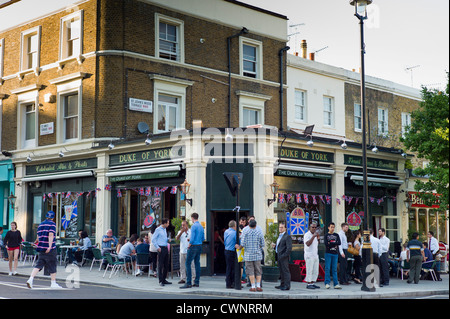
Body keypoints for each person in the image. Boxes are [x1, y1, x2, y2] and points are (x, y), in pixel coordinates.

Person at [26, 211, 62, 289]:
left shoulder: (41, 224)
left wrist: (36, 241)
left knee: (39, 264)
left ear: (46, 216)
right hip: (50, 248)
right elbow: (51, 234)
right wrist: (49, 246)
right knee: (52, 264)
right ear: (53, 217)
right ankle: (53, 283)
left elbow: (38, 235)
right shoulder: (52, 224)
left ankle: (30, 279)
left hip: (41, 247)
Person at [180, 213, 205, 289]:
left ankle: (188, 283)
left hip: (193, 246)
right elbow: (203, 238)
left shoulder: (194, 226)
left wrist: (189, 244)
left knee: (187, 263)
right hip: (199, 246)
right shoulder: (201, 226)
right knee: (197, 263)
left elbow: (193, 238)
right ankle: (196, 282)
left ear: (193, 218)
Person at [240, 219, 264, 292]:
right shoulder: (259, 231)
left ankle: (253, 286)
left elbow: (243, 243)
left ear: (249, 224)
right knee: (258, 270)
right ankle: (258, 286)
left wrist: (239, 247)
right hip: (257, 254)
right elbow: (262, 244)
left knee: (250, 271)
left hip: (248, 255)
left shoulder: (245, 230)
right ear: (255, 225)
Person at [273, 221, 292, 291]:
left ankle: (287, 285)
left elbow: (289, 248)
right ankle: (282, 284)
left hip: (284, 257)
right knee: (281, 271)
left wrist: (284, 255)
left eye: (282, 227)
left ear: (285, 229)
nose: (280, 229)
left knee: (285, 271)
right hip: (279, 256)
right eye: (279, 227)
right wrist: (275, 247)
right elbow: (280, 246)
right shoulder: (280, 236)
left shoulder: (287, 236)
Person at [152, 219, 171, 286]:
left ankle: (164, 279)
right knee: (160, 264)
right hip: (161, 248)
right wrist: (157, 247)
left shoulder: (164, 229)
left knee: (166, 264)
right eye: (168, 223)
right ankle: (160, 280)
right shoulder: (158, 229)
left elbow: (163, 238)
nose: (168, 224)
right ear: (164, 223)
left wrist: (168, 239)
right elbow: (153, 239)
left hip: (165, 247)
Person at [176, 220, 195, 284]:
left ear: (187, 225)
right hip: (182, 251)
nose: (182, 226)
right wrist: (181, 232)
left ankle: (193, 278)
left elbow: (193, 240)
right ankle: (183, 278)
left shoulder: (191, 232)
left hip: (189, 251)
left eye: (184, 225)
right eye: (182, 225)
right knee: (182, 266)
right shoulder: (180, 232)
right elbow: (177, 239)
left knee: (191, 265)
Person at [324, 222, 342, 289]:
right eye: (331, 227)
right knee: (327, 268)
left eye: (333, 227)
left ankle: (336, 283)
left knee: (335, 269)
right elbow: (326, 244)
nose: (332, 229)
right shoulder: (326, 235)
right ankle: (327, 283)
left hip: (335, 253)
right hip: (328, 253)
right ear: (328, 227)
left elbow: (339, 242)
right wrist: (334, 243)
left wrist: (331, 243)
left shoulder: (336, 235)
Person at [303, 222, 320, 289]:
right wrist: (313, 237)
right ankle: (309, 283)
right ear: (309, 228)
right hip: (309, 255)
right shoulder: (307, 235)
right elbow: (308, 243)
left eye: (315, 227)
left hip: (315, 254)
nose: (314, 228)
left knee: (315, 270)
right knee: (309, 269)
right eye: (312, 227)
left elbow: (317, 243)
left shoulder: (315, 235)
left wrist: (318, 238)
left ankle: (312, 282)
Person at [223, 220, 238, 289]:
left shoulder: (226, 231)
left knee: (228, 267)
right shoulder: (235, 233)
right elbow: (238, 242)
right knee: (232, 268)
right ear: (234, 226)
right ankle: (231, 283)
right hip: (232, 251)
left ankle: (228, 283)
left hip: (226, 250)